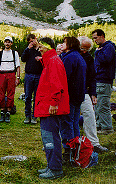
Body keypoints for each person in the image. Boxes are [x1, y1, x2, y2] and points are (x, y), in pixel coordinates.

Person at [34, 37, 69, 180]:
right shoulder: (50, 61)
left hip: (50, 107)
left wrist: (54, 103)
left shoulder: (53, 61)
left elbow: (57, 84)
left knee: (51, 138)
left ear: (48, 47)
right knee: (48, 137)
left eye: (41, 46)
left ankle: (55, 169)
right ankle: (51, 165)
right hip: (47, 106)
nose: (39, 49)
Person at [78, 36, 108, 153]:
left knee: (90, 114)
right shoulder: (69, 55)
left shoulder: (88, 58)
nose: (84, 51)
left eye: (87, 49)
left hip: (84, 91)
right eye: (82, 48)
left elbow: (92, 77)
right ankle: (70, 143)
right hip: (70, 93)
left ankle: (94, 143)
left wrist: (93, 93)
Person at [60, 37, 86, 160]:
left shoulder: (69, 58)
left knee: (67, 122)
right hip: (78, 96)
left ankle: (68, 150)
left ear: (70, 44)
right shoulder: (79, 57)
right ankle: (76, 149)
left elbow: (64, 77)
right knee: (75, 122)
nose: (62, 44)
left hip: (69, 96)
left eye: (64, 42)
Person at [91, 29, 116, 134]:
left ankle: (107, 127)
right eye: (93, 39)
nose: (95, 40)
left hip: (104, 79)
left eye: (96, 38)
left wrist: (98, 52)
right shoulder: (101, 48)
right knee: (97, 105)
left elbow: (105, 60)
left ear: (102, 36)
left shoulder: (108, 47)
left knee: (103, 104)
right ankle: (99, 125)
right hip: (99, 79)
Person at [0, 36, 20, 123]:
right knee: (1, 93)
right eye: (6, 42)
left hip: (11, 74)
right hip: (2, 74)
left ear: (11, 43)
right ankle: (2, 112)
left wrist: (18, 78)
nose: (7, 43)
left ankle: (8, 112)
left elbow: (18, 66)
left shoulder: (14, 53)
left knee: (11, 92)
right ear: (4, 43)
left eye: (9, 42)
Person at [21, 33, 43, 124]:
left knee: (37, 97)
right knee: (27, 97)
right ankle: (27, 116)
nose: (32, 43)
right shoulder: (28, 50)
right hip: (29, 75)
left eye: (32, 40)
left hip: (39, 75)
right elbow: (23, 59)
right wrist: (27, 49)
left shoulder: (41, 48)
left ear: (35, 39)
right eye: (30, 42)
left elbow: (46, 58)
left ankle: (35, 116)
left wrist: (41, 58)